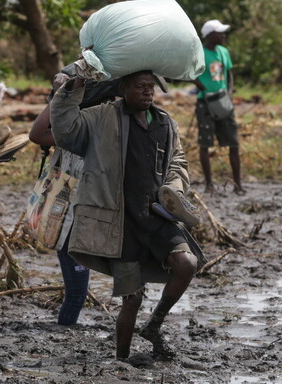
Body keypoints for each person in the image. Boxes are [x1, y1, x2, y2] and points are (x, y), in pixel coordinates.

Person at [50, 70, 201, 360]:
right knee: (132, 297)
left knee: (187, 264)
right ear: (122, 88)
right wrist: (68, 92)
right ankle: (122, 358)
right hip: (121, 220)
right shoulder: (102, 116)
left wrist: (173, 187)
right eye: (139, 87)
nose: (147, 92)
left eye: (150, 87)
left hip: (156, 217)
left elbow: (177, 160)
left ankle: (154, 326)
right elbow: (65, 130)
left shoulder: (164, 122)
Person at [29, 67, 120, 326]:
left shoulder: (71, 133)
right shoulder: (84, 135)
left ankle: (65, 331)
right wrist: (62, 95)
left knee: (76, 292)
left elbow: (37, 132)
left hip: (76, 219)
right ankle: (65, 332)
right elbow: (36, 134)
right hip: (72, 221)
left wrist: (60, 96)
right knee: (77, 293)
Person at [193, 19, 245, 195]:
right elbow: (191, 74)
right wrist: (204, 90)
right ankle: (209, 184)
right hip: (205, 103)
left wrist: (228, 93)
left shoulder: (223, 52)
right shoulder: (198, 52)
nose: (223, 36)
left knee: (233, 143)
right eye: (220, 33)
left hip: (224, 102)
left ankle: (238, 185)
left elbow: (229, 73)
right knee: (205, 143)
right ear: (209, 35)